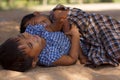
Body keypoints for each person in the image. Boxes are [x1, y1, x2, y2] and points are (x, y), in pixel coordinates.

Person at [50, 4, 120, 67]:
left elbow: (68, 32)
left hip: (95, 21)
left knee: (108, 33)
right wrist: (82, 56)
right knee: (108, 36)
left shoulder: (67, 12)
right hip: (92, 29)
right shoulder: (59, 17)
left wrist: (82, 57)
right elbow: (70, 36)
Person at [0, 22, 81, 72]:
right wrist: (75, 36)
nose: (31, 38)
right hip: (78, 43)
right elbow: (72, 59)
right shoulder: (48, 57)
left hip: (66, 29)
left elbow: (52, 27)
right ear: (34, 60)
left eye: (23, 36)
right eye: (30, 45)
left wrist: (59, 22)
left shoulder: (31, 30)